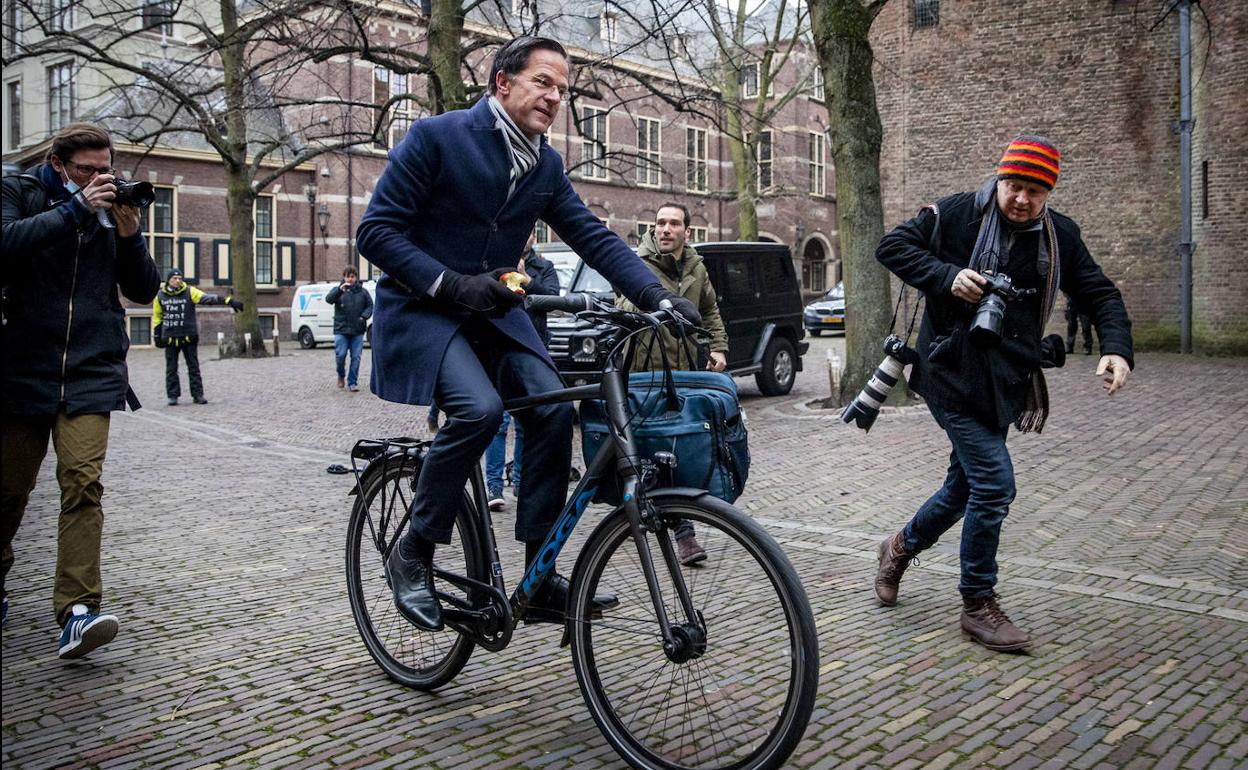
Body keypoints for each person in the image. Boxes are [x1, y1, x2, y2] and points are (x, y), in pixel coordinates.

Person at [355, 36, 700, 632]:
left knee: (552, 412)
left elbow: (593, 237)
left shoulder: (544, 165)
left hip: (494, 313)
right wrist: (452, 284)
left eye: (563, 89)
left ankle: (538, 576)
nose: (555, 96)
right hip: (424, 309)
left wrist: (659, 296)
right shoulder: (437, 137)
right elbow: (377, 233)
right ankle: (414, 549)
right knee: (480, 410)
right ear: (502, 83)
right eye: (544, 81)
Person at [872, 134, 1134, 652]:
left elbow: (1100, 293)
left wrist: (1117, 348)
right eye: (1015, 185)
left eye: (1036, 191)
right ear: (999, 178)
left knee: (964, 488)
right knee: (994, 483)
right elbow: (892, 247)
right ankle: (977, 604)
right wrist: (947, 276)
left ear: (1049, 193)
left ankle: (898, 547)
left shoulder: (1059, 236)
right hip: (949, 374)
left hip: (1006, 383)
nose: (1021, 199)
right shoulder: (955, 214)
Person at [1, 122, 160, 658]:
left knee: (82, 483)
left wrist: (130, 233)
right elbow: (6, 244)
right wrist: (74, 210)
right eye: (87, 170)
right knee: (10, 489)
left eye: (105, 169)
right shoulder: (20, 191)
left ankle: (77, 611)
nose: (98, 178)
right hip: (21, 364)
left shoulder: (109, 210)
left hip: (91, 367)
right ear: (59, 164)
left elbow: (142, 290)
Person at [615, 203, 730, 565]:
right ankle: (652, 518)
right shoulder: (637, 264)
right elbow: (623, 307)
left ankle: (682, 532)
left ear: (686, 231)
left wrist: (718, 347)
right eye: (660, 223)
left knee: (680, 447)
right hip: (644, 373)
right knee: (650, 449)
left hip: (685, 372)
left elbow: (710, 310)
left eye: (673, 224)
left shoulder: (696, 267)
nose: (665, 229)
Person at [485, 233, 560, 511]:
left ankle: (520, 480)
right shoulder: (495, 262)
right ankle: (494, 485)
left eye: (529, 232)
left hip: (533, 348)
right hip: (500, 347)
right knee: (499, 422)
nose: (524, 236)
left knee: (527, 421)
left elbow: (552, 299)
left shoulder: (544, 267)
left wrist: (526, 279)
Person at [153, 268, 243, 405]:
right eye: (174, 278)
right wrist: (156, 335)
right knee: (171, 369)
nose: (178, 281)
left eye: (180, 278)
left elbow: (207, 298)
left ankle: (198, 395)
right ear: (168, 280)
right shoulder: (160, 296)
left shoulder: (190, 291)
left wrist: (228, 301)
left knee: (193, 367)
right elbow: (157, 317)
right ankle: (172, 396)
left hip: (189, 337)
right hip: (170, 338)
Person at [325, 265, 374, 392]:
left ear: (356, 278)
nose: (350, 279)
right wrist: (339, 290)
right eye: (347, 276)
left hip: (357, 330)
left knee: (356, 357)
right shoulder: (338, 291)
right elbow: (328, 299)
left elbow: (370, 306)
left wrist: (364, 317)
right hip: (341, 329)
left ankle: (352, 382)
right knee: (340, 355)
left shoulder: (363, 292)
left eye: (352, 276)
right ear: (344, 277)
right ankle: (341, 375)